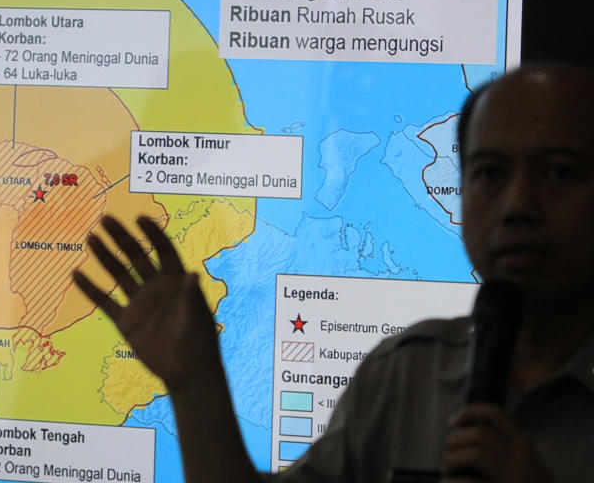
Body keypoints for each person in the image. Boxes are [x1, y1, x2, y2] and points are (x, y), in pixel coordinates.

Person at [72, 62, 594, 482]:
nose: (517, 205)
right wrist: (195, 382)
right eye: (490, 173)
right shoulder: (406, 375)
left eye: (558, 172)